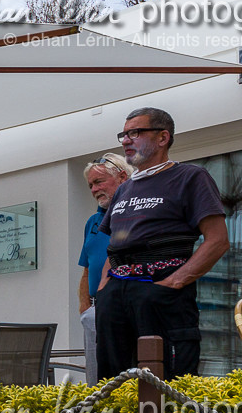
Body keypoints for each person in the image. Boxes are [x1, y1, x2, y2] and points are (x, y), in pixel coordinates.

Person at [96, 108, 230, 380]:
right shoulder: (124, 189)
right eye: (124, 134)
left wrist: (173, 283)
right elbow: (115, 245)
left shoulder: (190, 177)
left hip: (161, 291)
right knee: (112, 380)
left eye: (135, 132)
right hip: (116, 295)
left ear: (162, 137)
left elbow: (218, 240)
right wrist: (104, 291)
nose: (125, 141)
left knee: (166, 379)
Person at [78, 154, 130, 383]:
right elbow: (87, 269)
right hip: (95, 311)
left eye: (99, 182)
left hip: (124, 304)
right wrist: (85, 309)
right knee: (96, 382)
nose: (94, 189)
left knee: (124, 377)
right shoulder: (92, 222)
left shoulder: (133, 213)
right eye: (90, 185)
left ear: (122, 177)